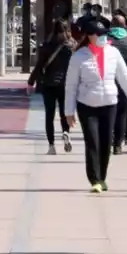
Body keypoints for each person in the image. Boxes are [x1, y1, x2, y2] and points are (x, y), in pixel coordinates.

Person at [64, 15, 127, 193]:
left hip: (109, 103)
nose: (103, 37)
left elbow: (125, 79)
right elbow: (70, 86)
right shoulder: (79, 56)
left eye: (104, 34)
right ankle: (95, 179)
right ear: (89, 36)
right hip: (87, 105)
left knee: (106, 142)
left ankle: (102, 176)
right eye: (99, 34)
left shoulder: (113, 53)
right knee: (92, 141)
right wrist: (69, 112)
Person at [28, 19, 76, 154]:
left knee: (49, 115)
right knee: (64, 113)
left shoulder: (47, 46)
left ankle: (51, 146)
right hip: (66, 85)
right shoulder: (72, 46)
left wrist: (31, 82)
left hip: (49, 84)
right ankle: (66, 132)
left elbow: (39, 66)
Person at [108, 14, 127, 153]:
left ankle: (107, 141)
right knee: (122, 114)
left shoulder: (105, 41)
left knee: (107, 113)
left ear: (111, 25)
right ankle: (118, 145)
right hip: (125, 83)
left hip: (107, 82)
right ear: (125, 26)